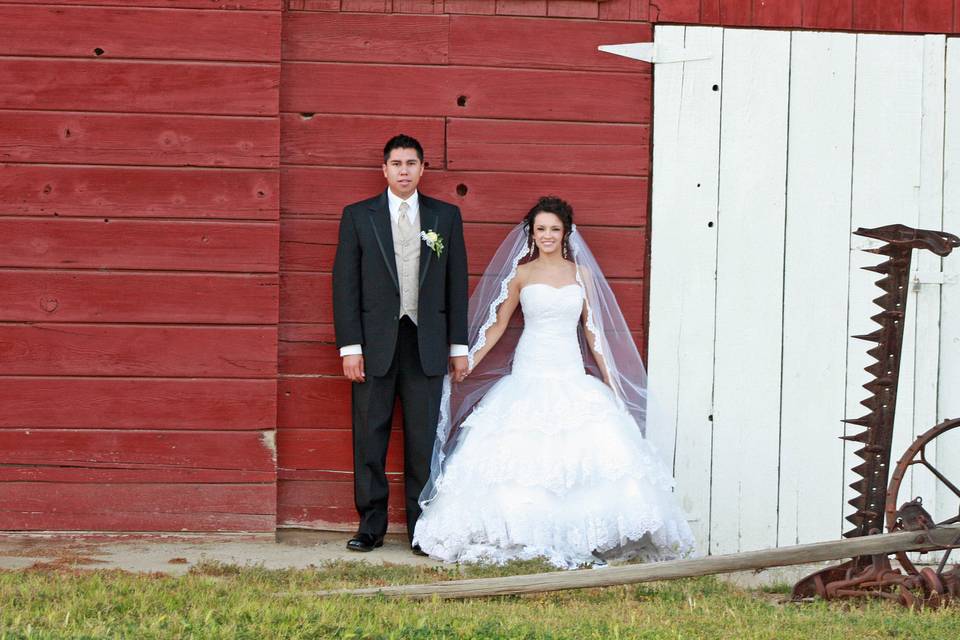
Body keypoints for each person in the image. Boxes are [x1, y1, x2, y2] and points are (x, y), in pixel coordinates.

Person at [413, 196, 695, 568]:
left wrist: (612, 380)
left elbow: (593, 332)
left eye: (554, 229)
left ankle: (581, 534)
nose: (547, 235)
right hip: (530, 371)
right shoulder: (522, 275)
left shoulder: (583, 275)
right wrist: (469, 360)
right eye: (541, 229)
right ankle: (517, 530)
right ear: (531, 233)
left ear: (566, 233)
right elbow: (498, 325)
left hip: (570, 372)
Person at [332, 134, 469, 554]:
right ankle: (370, 525)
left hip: (425, 343)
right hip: (374, 345)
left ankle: (420, 529)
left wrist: (458, 346)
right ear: (384, 169)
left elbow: (455, 283)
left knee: (422, 441)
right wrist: (350, 346)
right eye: (397, 163)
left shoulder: (445, 217)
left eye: (412, 163)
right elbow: (344, 284)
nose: (404, 170)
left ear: (423, 169)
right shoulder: (359, 216)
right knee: (369, 437)